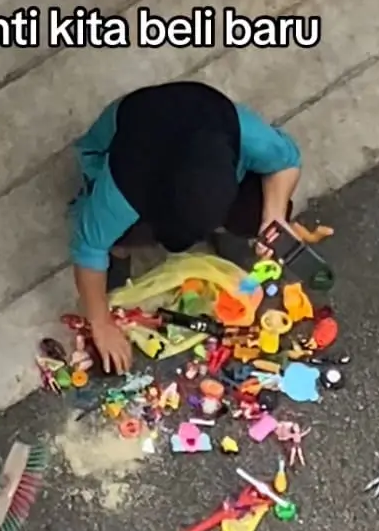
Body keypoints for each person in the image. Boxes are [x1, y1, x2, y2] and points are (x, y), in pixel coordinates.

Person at [69, 81, 301, 374]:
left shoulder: (237, 131)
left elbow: (287, 162)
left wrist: (274, 217)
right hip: (133, 147)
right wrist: (100, 323)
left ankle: (232, 228)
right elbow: (88, 248)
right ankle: (121, 249)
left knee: (261, 205)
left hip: (195, 133)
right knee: (117, 233)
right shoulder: (124, 187)